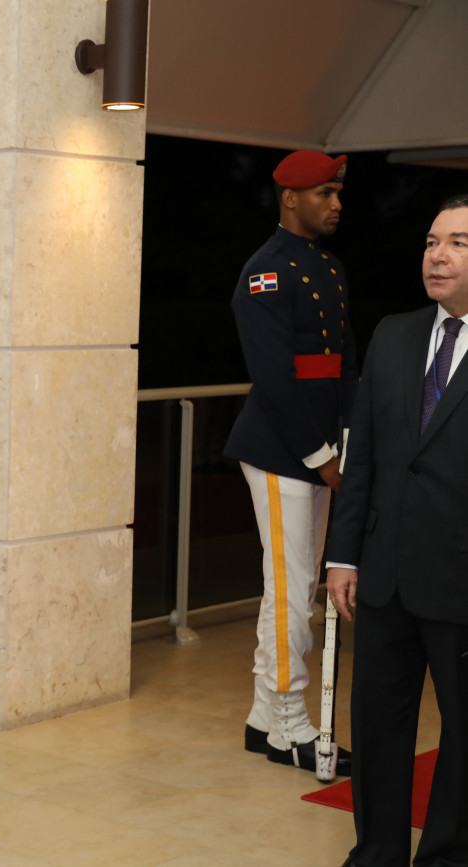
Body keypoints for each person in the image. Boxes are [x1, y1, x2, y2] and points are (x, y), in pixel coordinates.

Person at [326, 194, 468, 867]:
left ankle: (445, 855)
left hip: (460, 577)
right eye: (432, 242)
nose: (438, 255)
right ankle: (377, 852)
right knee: (379, 727)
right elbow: (365, 459)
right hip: (383, 574)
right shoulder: (393, 334)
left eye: (459, 243)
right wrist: (343, 555)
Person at [224, 150, 356, 775]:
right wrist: (323, 459)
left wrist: (350, 440)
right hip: (282, 452)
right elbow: (275, 380)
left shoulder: (327, 266)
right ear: (290, 198)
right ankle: (288, 726)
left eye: (337, 193)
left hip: (321, 448)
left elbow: (344, 363)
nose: (336, 204)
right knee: (291, 592)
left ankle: (262, 718)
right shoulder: (266, 272)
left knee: (296, 587)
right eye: (325, 193)